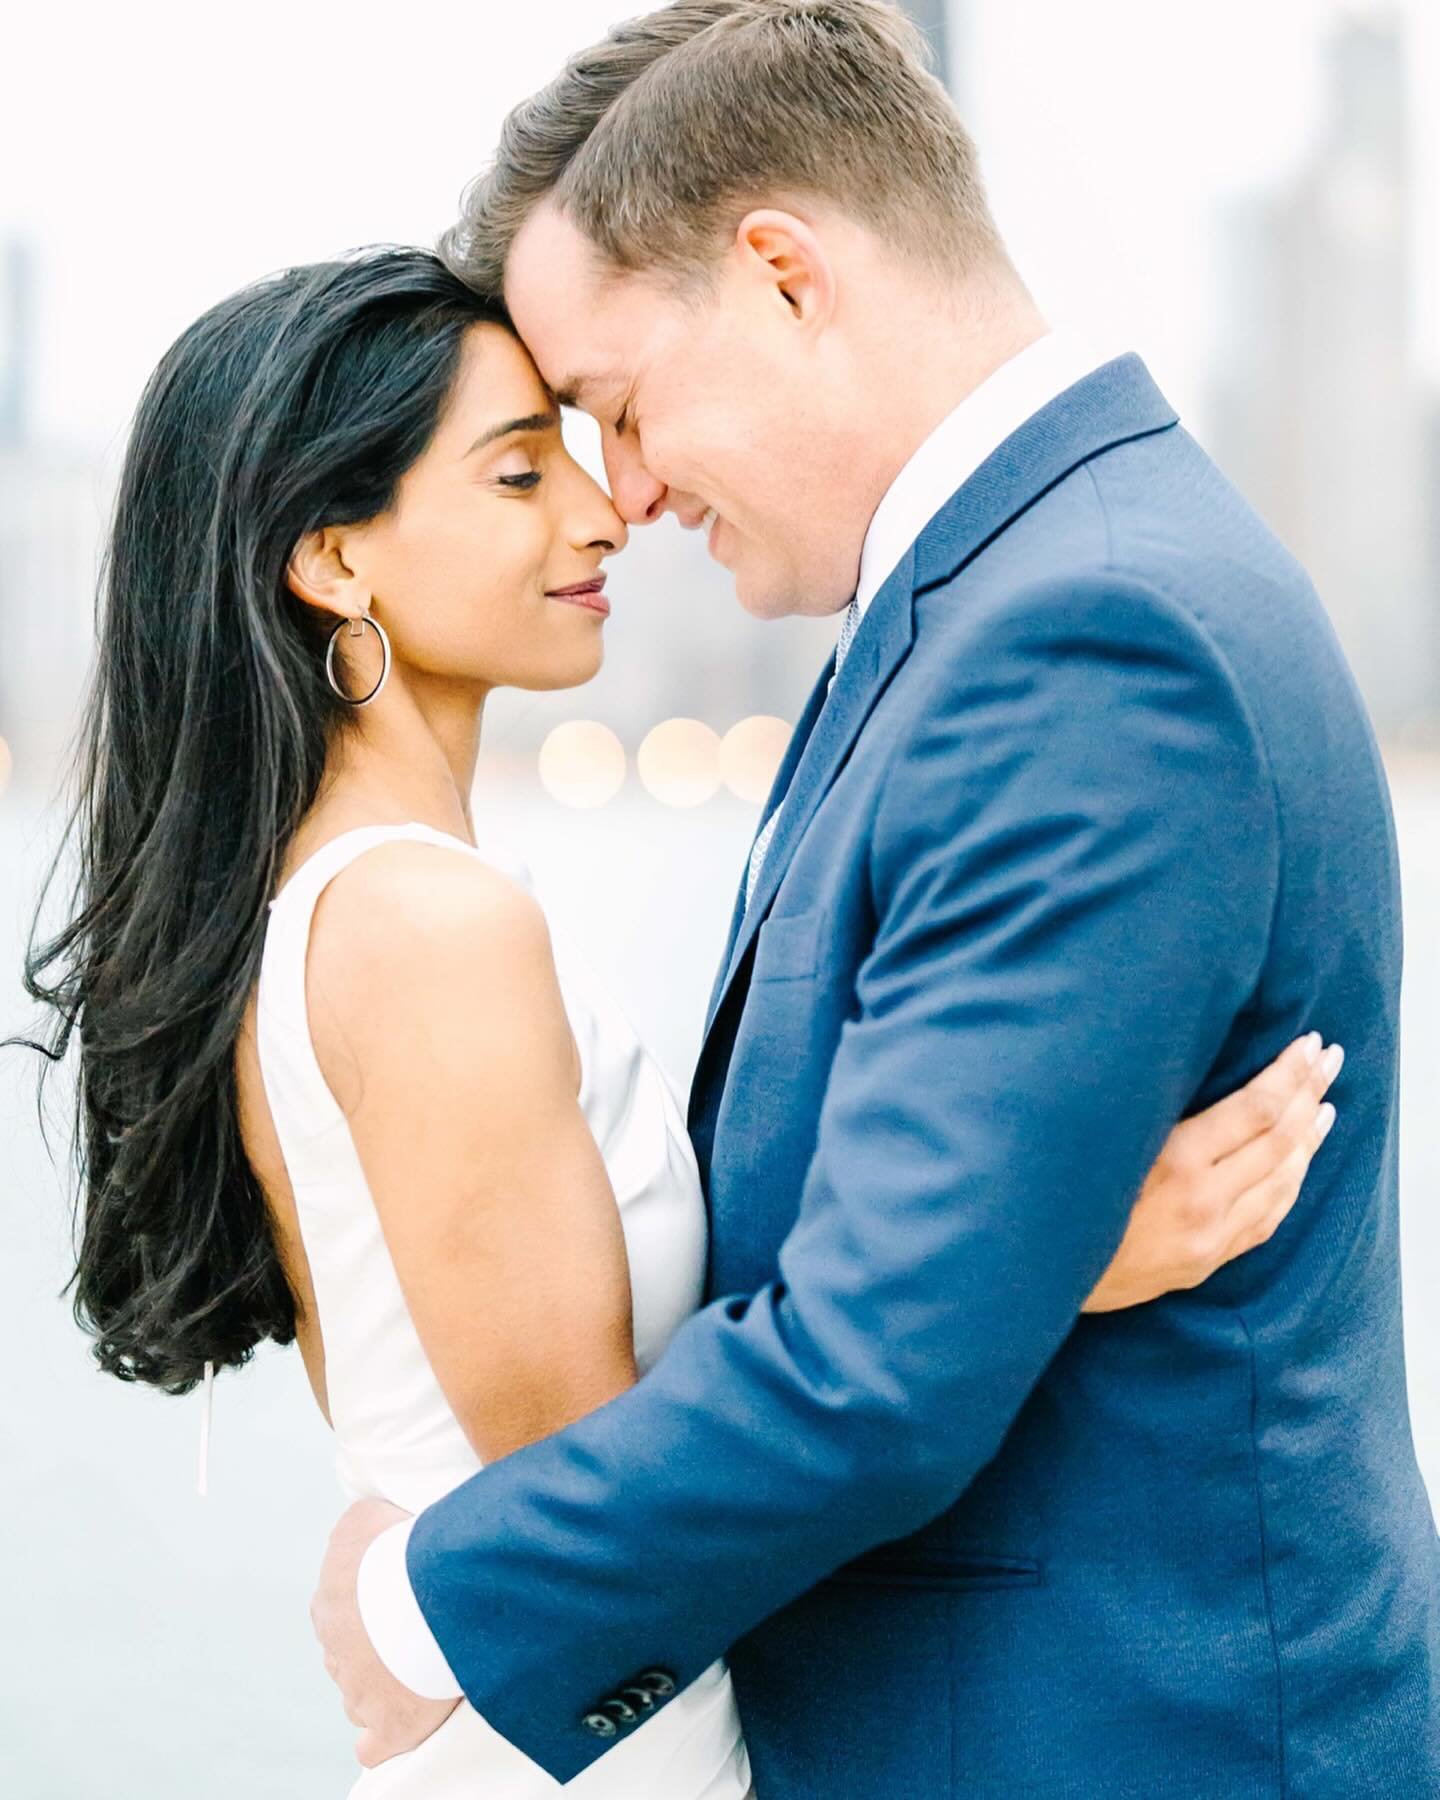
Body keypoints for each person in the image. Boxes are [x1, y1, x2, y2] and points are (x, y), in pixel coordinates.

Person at [19, 241, 1332, 1800]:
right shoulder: (427, 927)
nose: (599, 514)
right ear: (332, 559)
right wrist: (1053, 1261)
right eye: (518, 478)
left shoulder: (371, 902)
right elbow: (614, 1487)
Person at [312, 4, 1440, 1796]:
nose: (632, 493)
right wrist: (1045, 1260)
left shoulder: (1086, 637)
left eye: (615, 408)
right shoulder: (993, 599)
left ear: (780, 272)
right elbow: (903, 1272)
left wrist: (422, 1609)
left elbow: (878, 1370)